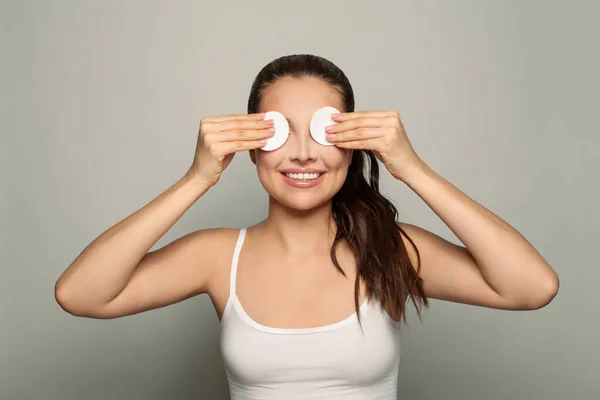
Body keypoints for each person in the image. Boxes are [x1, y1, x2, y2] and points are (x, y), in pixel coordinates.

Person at [54, 54, 559, 399]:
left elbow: (532, 287)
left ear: (353, 141)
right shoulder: (215, 256)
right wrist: (196, 179)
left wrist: (412, 168)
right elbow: (80, 295)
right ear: (250, 145)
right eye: (278, 132)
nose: (302, 153)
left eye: (323, 131)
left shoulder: (390, 247)